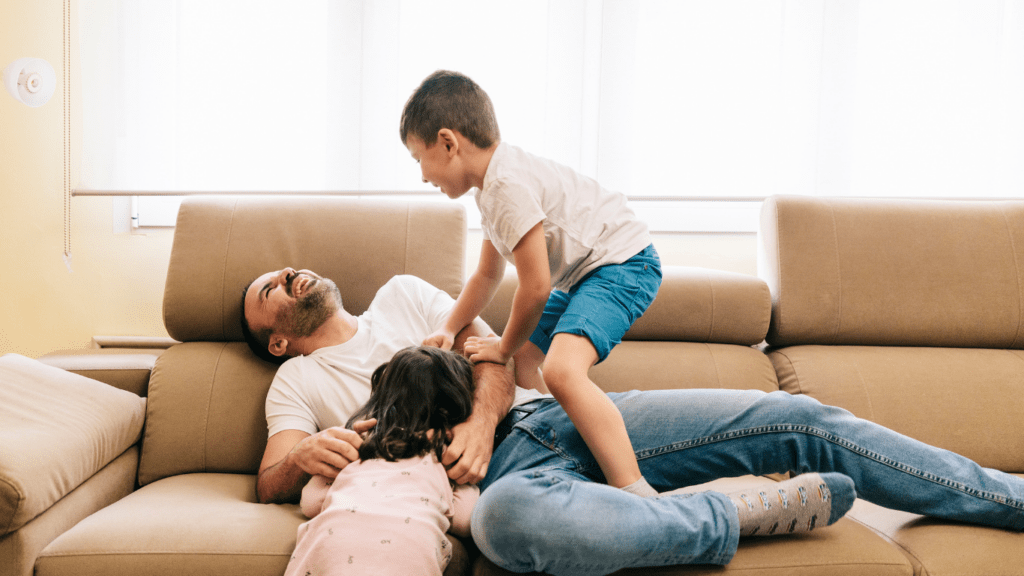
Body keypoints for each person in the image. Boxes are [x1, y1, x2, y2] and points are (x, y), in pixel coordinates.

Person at [243, 267, 1024, 576]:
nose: (287, 274)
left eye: (286, 269)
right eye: (267, 290)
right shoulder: (298, 381)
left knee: (801, 419)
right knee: (509, 529)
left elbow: (494, 358)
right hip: (508, 494)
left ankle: (1010, 499)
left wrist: (482, 425)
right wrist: (308, 453)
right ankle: (733, 511)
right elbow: (272, 476)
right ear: (276, 337)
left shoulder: (406, 297)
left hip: (549, 425)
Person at [401, 70, 663, 497]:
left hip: (623, 263)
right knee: (525, 363)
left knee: (559, 369)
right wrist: (449, 328)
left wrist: (501, 345)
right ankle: (560, 446)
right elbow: (487, 274)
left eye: (418, 159)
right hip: (587, 272)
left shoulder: (506, 186)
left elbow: (537, 286)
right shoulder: (491, 190)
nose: (423, 176)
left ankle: (634, 488)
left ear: (448, 143)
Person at [286, 346, 480, 576]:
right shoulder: (444, 456)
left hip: (332, 548)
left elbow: (309, 502)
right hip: (405, 555)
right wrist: (464, 486)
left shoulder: (358, 445)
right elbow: (465, 520)